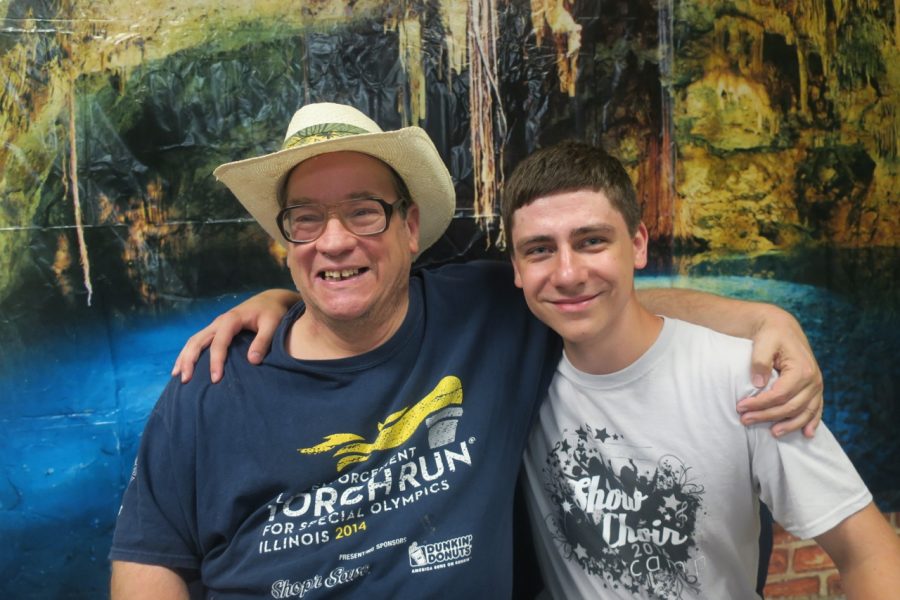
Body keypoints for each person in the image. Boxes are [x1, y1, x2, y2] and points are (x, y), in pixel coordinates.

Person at [110, 102, 823, 599]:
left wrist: (760, 318)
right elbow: (150, 564)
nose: (335, 241)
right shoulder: (208, 383)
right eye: (307, 220)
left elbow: (600, 299)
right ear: (286, 242)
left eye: (363, 212)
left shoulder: (484, 312)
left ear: (409, 227)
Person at [501, 141, 900, 598]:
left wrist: (767, 318)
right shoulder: (515, 374)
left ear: (637, 245)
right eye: (539, 249)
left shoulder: (742, 377)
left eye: (592, 241)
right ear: (516, 268)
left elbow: (868, 551)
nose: (568, 273)